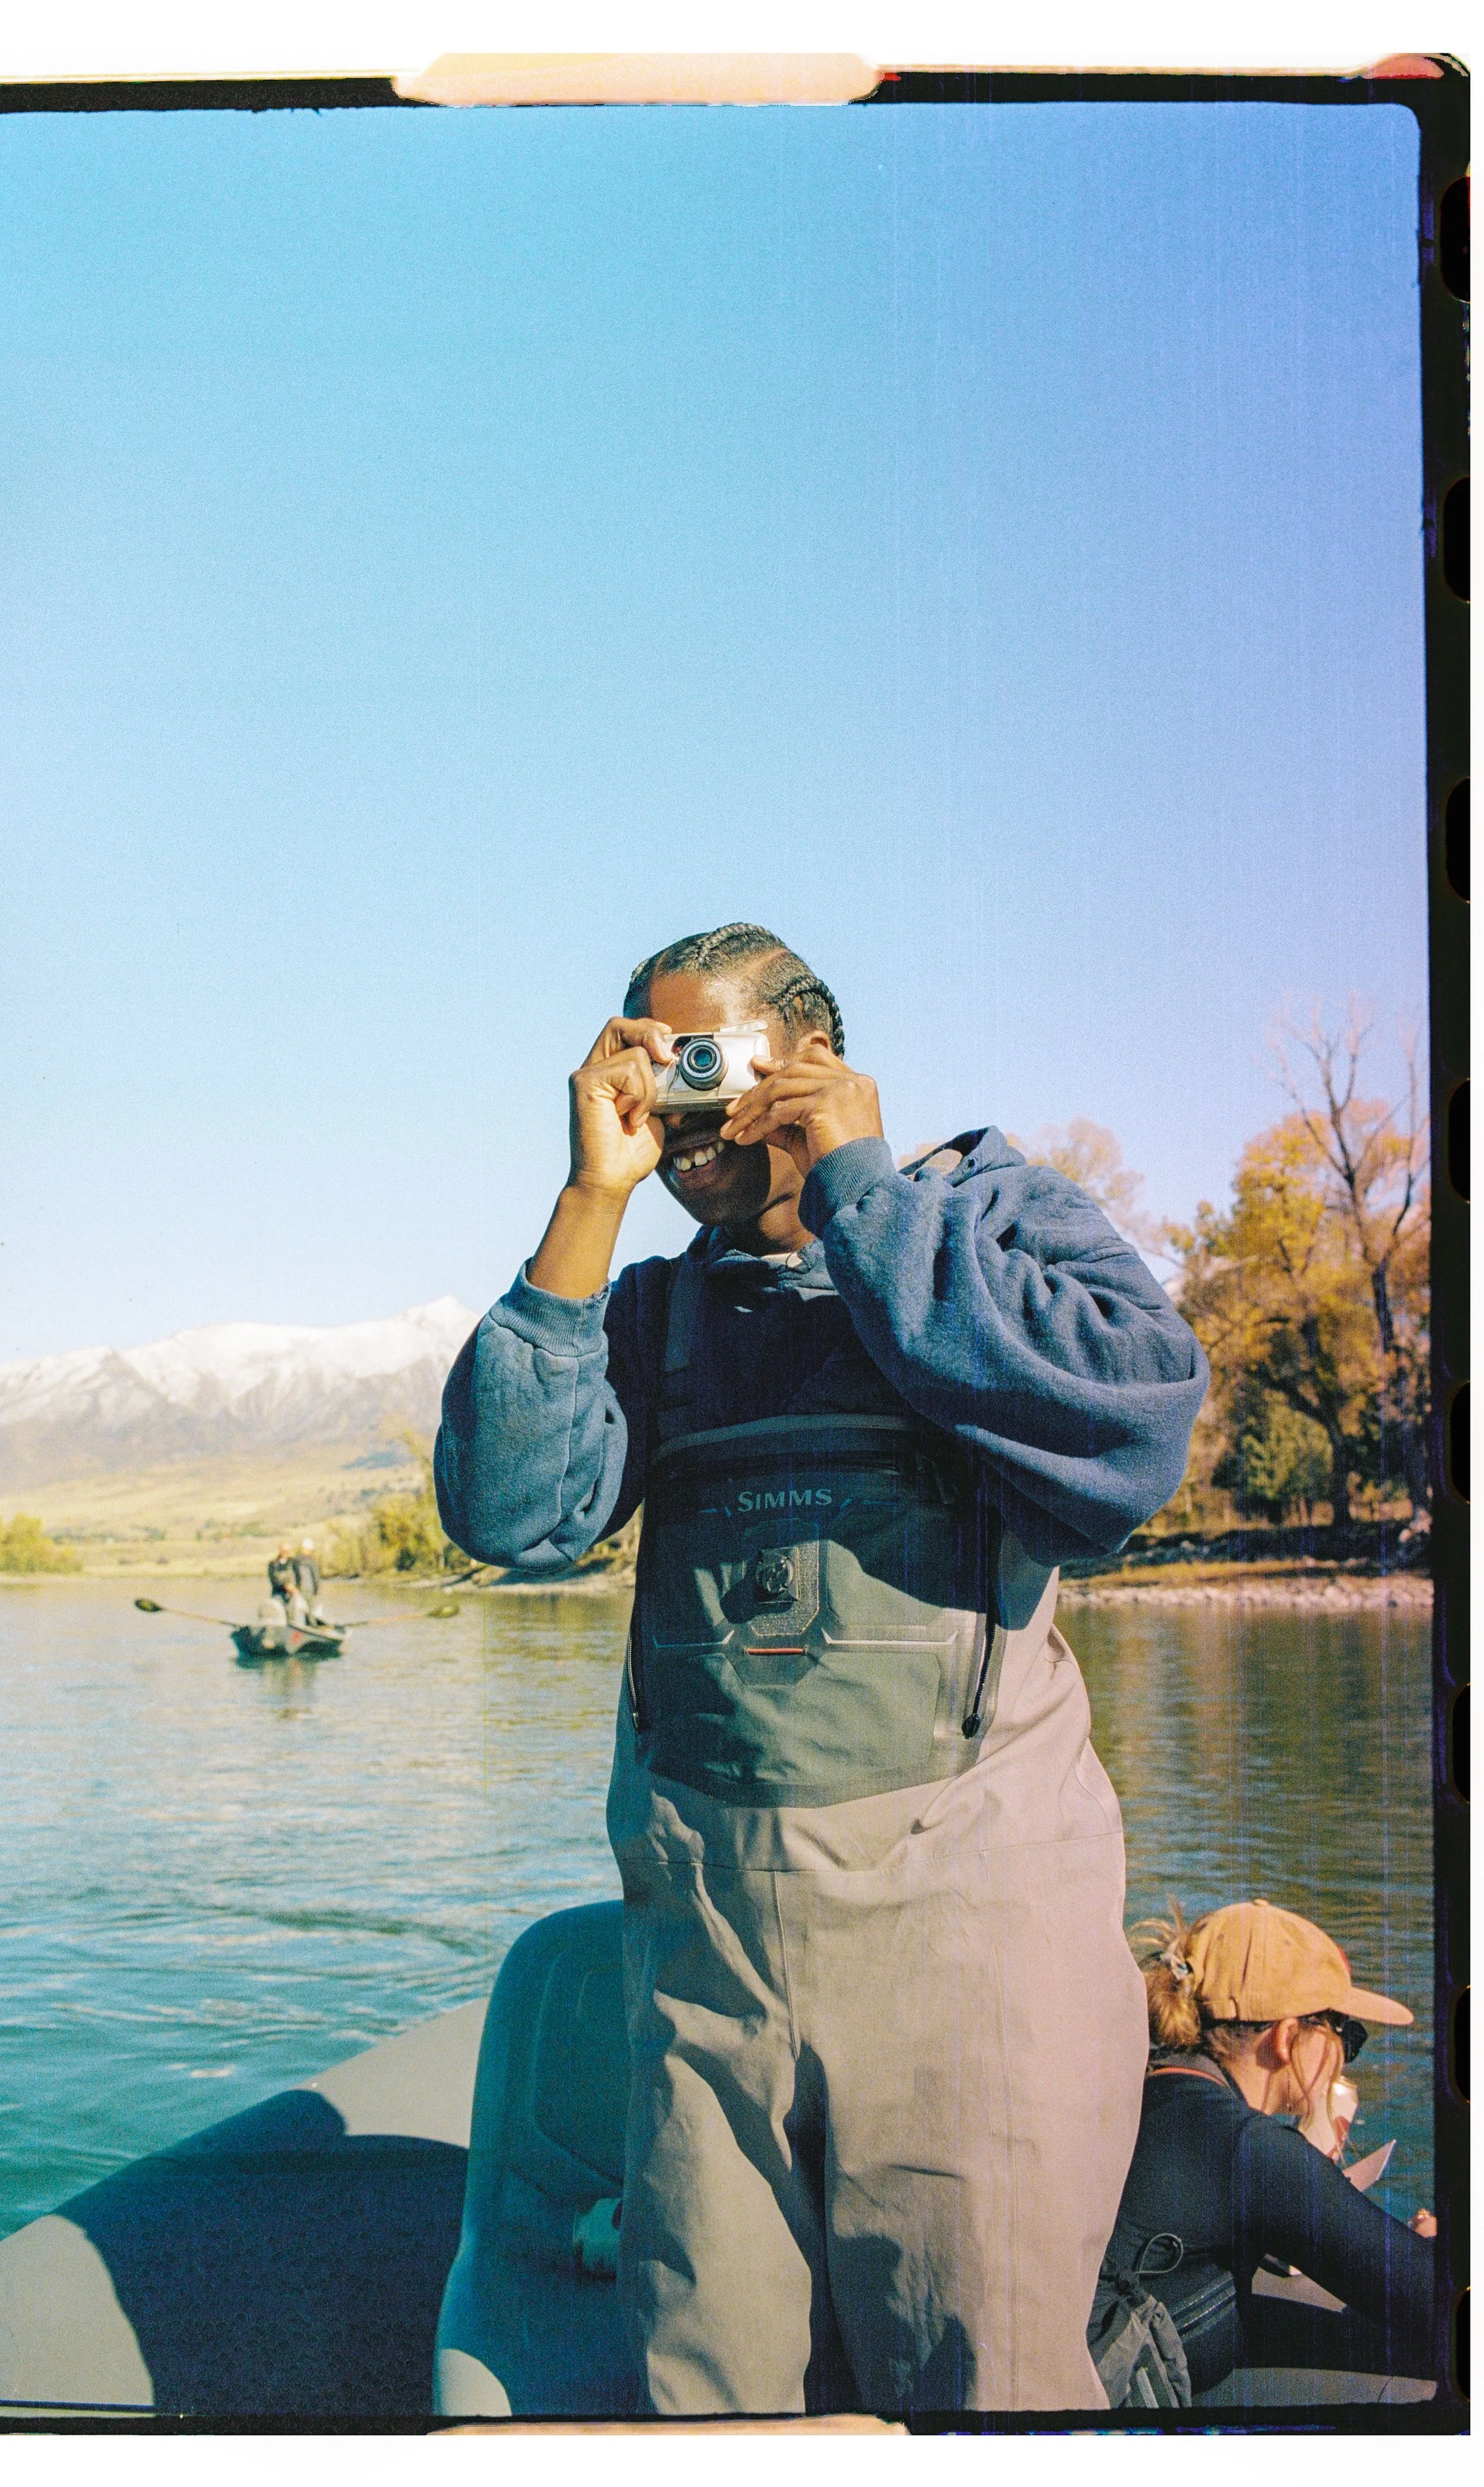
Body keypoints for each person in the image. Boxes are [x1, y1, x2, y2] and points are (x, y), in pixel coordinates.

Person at [435, 921, 1209, 2414]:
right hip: (707, 1959)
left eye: (704, 1064)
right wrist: (585, 1206)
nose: (677, 1115)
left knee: (979, 2373)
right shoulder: (655, 1312)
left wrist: (863, 1197)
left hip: (969, 1939)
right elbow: (509, 1515)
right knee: (708, 2388)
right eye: (647, 1076)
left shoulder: (985, 1217)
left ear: (805, 1058)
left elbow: (1130, 1433)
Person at [1101, 1898, 1435, 2395]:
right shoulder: (1248, 2149)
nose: (1346, 2056)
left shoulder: (1152, 2086)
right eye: (1346, 2032)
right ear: (1285, 2038)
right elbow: (1439, 2304)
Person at [293, 1538, 325, 1624]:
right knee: (310, 1614)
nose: (311, 1552)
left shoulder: (295, 1561)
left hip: (297, 1591)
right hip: (308, 1591)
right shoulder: (312, 1562)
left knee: (298, 1613)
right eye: (310, 1550)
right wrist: (317, 1591)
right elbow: (316, 1579)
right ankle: (311, 1628)